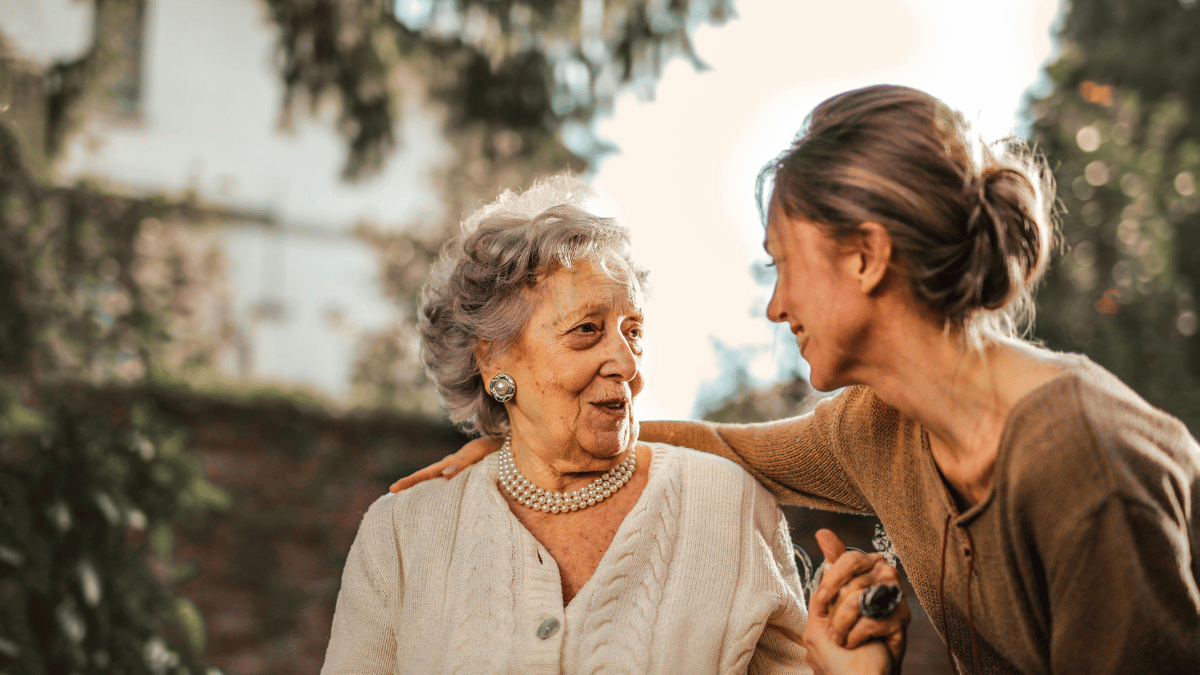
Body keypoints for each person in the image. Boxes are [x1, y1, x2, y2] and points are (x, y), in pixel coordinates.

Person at [392, 85, 1200, 674]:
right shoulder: (878, 427)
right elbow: (720, 446)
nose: (776, 305)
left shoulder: (1084, 463)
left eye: (783, 265)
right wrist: (525, 447)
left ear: (866, 255)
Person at [323, 175, 846, 674]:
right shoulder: (402, 533)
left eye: (633, 331)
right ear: (494, 360)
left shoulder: (730, 506)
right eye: (588, 330)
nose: (626, 362)